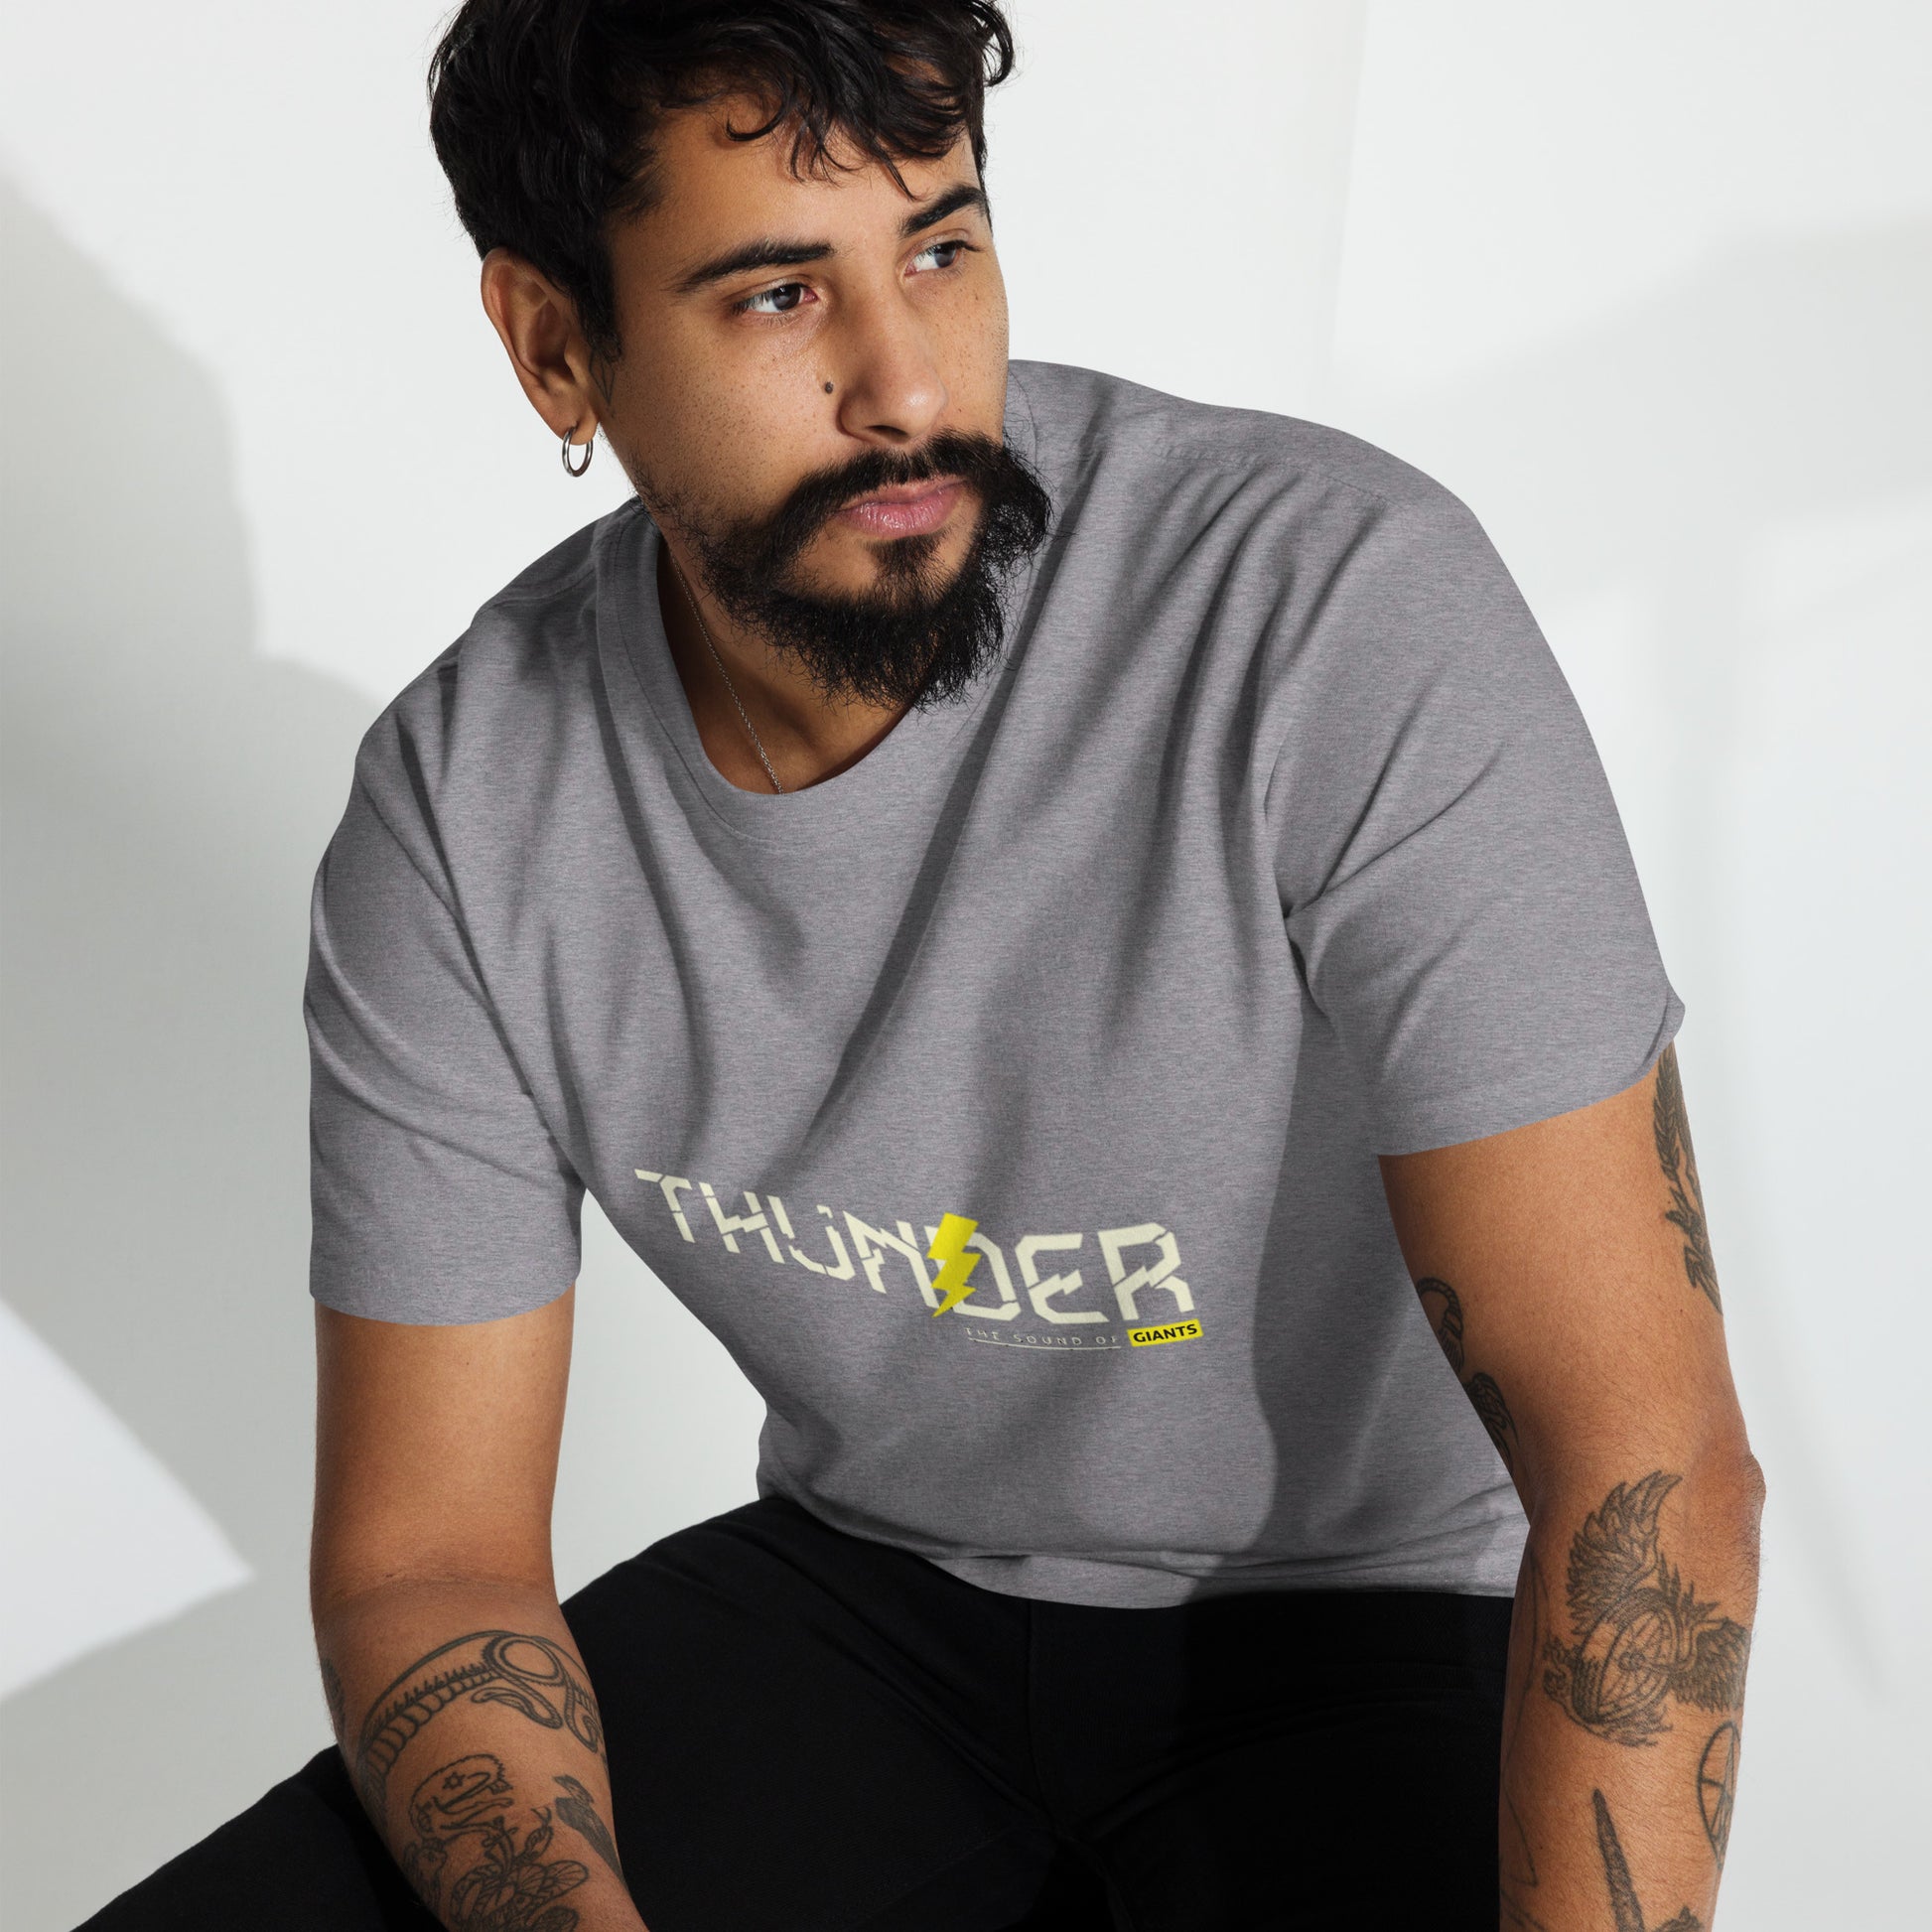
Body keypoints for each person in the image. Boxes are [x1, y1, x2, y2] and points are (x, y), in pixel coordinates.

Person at [87, 2, 1762, 1928]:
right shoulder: (468, 812)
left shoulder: (1327, 607)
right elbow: (431, 1565)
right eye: (778, 294)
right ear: (555, 345)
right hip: (868, 1608)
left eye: (942, 248)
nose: (907, 384)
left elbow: (1644, 1466)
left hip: (1366, 1618)